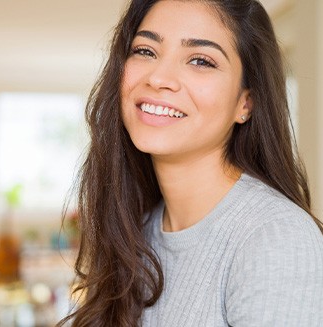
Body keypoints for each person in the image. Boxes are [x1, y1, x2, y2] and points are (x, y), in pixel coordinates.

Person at [58, 0, 323, 326]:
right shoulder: (136, 232)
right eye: (145, 51)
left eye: (201, 60)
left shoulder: (275, 239)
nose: (159, 78)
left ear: (245, 102)